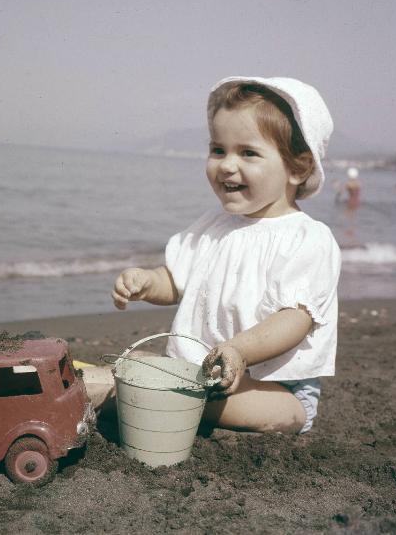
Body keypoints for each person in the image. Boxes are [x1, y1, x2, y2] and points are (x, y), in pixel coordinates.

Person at [109, 76, 341, 434]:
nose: (227, 165)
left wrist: (240, 351)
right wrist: (147, 281)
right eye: (218, 150)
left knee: (274, 411)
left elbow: (296, 319)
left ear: (297, 168)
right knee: (134, 365)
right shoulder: (213, 225)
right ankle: (172, 401)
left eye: (247, 153)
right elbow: (176, 280)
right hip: (202, 375)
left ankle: (165, 403)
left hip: (276, 387)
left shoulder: (307, 238)